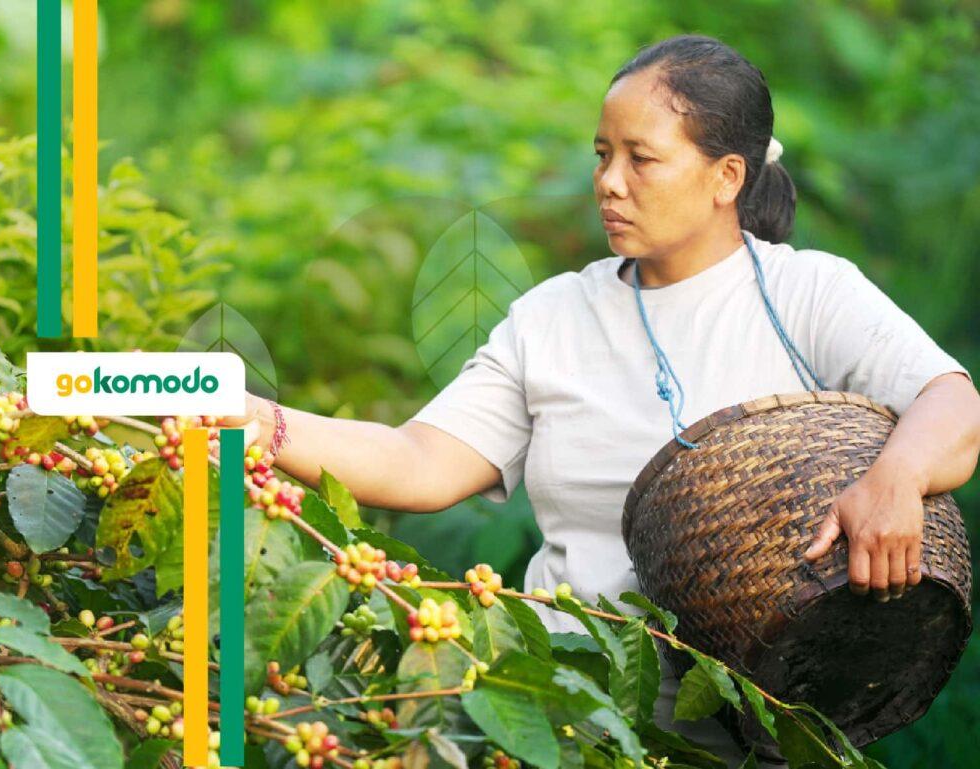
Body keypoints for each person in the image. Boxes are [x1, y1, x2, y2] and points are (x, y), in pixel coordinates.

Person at [221, 34, 980, 769]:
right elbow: (420, 459)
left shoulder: (805, 293)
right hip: (558, 725)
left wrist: (896, 479)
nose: (610, 182)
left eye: (641, 159)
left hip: (746, 739)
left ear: (726, 177)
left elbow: (952, 404)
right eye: (602, 154)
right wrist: (266, 422)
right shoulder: (553, 317)